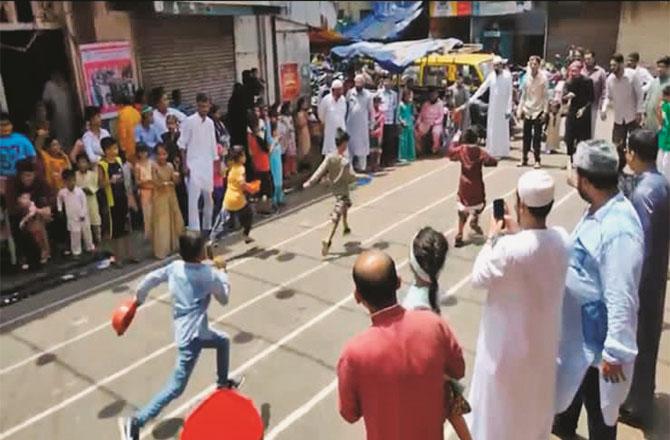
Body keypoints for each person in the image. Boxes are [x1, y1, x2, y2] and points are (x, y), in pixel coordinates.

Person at [468, 169, 569, 440]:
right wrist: (519, 232)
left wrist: (492, 237)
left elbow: (478, 277)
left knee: (497, 424)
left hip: (503, 358)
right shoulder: (562, 240)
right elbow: (536, 243)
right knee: (532, 421)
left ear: (520, 205)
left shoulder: (508, 251)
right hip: (542, 353)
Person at [553, 140, 644, 440]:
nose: (572, 175)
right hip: (578, 343)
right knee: (566, 410)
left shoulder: (618, 230)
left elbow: (622, 295)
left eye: (576, 172)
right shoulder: (598, 207)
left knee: (600, 423)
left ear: (588, 181)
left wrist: (615, 352)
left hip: (600, 354)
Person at [121, 233, 241, 440]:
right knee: (176, 387)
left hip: (192, 329)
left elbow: (151, 279)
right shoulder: (207, 274)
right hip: (192, 337)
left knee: (223, 341)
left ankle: (223, 383)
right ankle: (135, 422)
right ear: (197, 254)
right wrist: (223, 273)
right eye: (203, 247)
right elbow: (224, 299)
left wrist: (137, 300)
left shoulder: (176, 267)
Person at [337, 250, 465, 440]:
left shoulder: (353, 355)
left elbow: (349, 413)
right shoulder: (433, 325)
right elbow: (458, 370)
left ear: (357, 296)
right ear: (398, 282)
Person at [619, 129, 670, 427]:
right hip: (656, 278)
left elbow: (644, 245)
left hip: (644, 281)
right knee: (648, 341)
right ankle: (642, 396)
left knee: (636, 342)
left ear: (635, 154)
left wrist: (633, 285)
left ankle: (635, 404)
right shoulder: (660, 184)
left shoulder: (642, 194)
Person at [303, 129, 359, 256]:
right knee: (336, 216)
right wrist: (358, 178)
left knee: (345, 205)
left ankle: (345, 226)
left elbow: (320, 170)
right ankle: (327, 239)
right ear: (344, 144)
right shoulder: (344, 161)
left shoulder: (330, 157)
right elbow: (350, 177)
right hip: (342, 190)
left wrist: (310, 182)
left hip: (334, 188)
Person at [446, 128, 498, 248]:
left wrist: (455, 139)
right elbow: (491, 161)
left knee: (462, 209)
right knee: (481, 204)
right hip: (477, 184)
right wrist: (494, 159)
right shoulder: (480, 151)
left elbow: (450, 153)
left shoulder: (461, 150)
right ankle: (475, 216)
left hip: (464, 185)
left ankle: (459, 234)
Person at [179, 93, 217, 233]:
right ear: (197, 105)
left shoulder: (210, 123)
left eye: (206, 106)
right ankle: (195, 230)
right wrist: (184, 165)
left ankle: (207, 228)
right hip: (193, 166)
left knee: (209, 199)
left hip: (207, 165)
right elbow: (182, 145)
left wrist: (216, 165)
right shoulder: (189, 121)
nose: (204, 109)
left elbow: (213, 146)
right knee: (193, 201)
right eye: (201, 106)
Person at [601, 53, 644, 171]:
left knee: (636, 144)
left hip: (633, 116)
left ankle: (638, 169)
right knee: (617, 145)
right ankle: (619, 168)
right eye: (611, 65)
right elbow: (608, 96)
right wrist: (604, 109)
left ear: (621, 64)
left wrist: (639, 112)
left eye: (614, 65)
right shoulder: (610, 79)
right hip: (619, 118)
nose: (612, 68)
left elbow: (640, 94)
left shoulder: (632, 76)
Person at [99, 137, 137, 267]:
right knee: (116, 232)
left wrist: (129, 195)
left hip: (123, 197)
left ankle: (130, 254)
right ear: (106, 150)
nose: (115, 151)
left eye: (116, 148)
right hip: (112, 201)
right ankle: (118, 257)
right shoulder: (102, 165)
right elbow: (99, 183)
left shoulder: (119, 160)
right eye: (113, 148)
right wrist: (110, 181)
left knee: (127, 228)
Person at [468, 55, 513, 159]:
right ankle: (492, 151)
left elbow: (510, 93)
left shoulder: (507, 76)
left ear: (502, 65)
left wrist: (509, 109)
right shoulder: (491, 75)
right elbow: (483, 87)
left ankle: (502, 152)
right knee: (492, 128)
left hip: (503, 108)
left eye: (498, 65)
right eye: (495, 66)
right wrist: (473, 98)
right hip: (493, 107)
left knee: (502, 130)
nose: (496, 67)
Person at [210, 145, 255, 244]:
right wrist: (251, 188)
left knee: (222, 221)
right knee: (249, 214)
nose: (245, 157)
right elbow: (241, 183)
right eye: (243, 155)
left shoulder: (230, 166)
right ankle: (245, 234)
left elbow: (224, 173)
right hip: (238, 200)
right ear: (239, 157)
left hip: (228, 199)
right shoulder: (240, 168)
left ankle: (212, 240)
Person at [151, 144, 185, 259]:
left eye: (164, 154)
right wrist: (164, 184)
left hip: (171, 195)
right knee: (162, 223)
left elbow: (176, 182)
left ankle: (175, 246)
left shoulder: (170, 166)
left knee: (176, 219)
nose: (162, 157)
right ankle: (161, 251)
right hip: (159, 197)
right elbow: (154, 182)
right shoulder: (153, 166)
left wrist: (176, 171)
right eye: (159, 154)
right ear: (155, 155)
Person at [517, 55, 549, 168]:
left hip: (538, 110)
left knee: (537, 137)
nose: (533, 66)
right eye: (531, 64)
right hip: (527, 109)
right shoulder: (526, 78)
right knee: (526, 136)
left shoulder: (543, 79)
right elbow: (523, 96)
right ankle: (524, 158)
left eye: (535, 64)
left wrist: (545, 112)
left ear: (539, 65)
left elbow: (546, 97)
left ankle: (537, 159)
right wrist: (519, 110)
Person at [563, 60, 595, 166]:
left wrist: (583, 110)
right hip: (572, 111)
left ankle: (580, 160)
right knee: (569, 137)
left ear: (580, 70)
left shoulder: (588, 81)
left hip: (584, 111)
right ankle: (570, 158)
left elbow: (591, 99)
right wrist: (567, 96)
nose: (572, 73)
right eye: (571, 71)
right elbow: (563, 97)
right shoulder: (568, 82)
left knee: (583, 139)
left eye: (575, 71)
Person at [57, 169, 94, 257]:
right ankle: (76, 251)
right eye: (69, 181)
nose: (72, 183)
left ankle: (89, 247)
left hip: (83, 217)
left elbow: (84, 203)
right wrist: (60, 209)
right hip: (72, 217)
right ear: (64, 181)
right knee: (75, 234)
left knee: (86, 232)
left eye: (73, 180)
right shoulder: (62, 192)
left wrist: (82, 213)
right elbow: (59, 200)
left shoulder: (80, 192)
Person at [161, 114, 187, 224]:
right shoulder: (164, 137)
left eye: (172, 123)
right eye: (168, 123)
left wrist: (182, 165)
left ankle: (185, 218)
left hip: (179, 165)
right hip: (169, 166)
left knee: (182, 192)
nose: (170, 126)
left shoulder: (180, 136)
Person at [346, 74, 374, 172]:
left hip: (362, 126)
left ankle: (362, 167)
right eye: (357, 83)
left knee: (362, 147)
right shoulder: (350, 93)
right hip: (350, 125)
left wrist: (372, 125)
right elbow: (346, 108)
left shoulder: (368, 95)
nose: (358, 86)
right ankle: (349, 168)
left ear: (363, 84)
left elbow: (371, 111)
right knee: (349, 147)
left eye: (360, 84)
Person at [41, 71, 75, 149]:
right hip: (56, 116)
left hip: (69, 115)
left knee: (69, 134)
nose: (58, 76)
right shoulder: (49, 85)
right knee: (59, 136)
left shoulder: (66, 85)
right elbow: (46, 101)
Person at [247, 111, 272, 214]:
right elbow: (267, 149)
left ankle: (258, 209)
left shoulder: (248, 137)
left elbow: (250, 152)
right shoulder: (257, 138)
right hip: (263, 165)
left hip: (255, 165)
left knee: (257, 188)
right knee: (266, 189)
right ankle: (265, 209)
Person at [0, 112, 37, 183]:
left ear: (11, 125)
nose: (4, 127)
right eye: (1, 125)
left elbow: (33, 157)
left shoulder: (22, 139)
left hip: (18, 179)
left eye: (7, 124)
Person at [75, 153, 102, 244]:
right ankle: (86, 242)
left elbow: (95, 187)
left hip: (91, 201)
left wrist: (87, 190)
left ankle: (98, 240)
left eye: (84, 162)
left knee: (94, 220)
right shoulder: (75, 176)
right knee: (83, 223)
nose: (82, 165)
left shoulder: (93, 174)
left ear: (88, 163)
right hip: (79, 203)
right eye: (80, 162)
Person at [318, 79, 347, 155]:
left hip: (341, 131)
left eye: (341, 90)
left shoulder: (343, 100)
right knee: (330, 152)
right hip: (330, 131)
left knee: (341, 153)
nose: (340, 92)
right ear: (333, 90)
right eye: (338, 90)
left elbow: (344, 113)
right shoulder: (326, 100)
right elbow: (321, 115)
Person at [583, 50, 608, 136]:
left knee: (590, 129)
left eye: (589, 59)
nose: (587, 61)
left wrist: (603, 107)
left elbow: (604, 90)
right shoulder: (581, 70)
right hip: (580, 104)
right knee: (578, 128)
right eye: (585, 59)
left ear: (594, 59)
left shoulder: (601, 72)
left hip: (593, 105)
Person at [643, 56, 670, 133]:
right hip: (650, 120)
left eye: (662, 67)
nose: (659, 69)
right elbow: (648, 98)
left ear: (668, 68)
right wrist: (644, 112)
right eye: (658, 66)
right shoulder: (654, 82)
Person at [377, 75, 399, 167]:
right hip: (381, 120)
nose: (387, 84)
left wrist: (395, 120)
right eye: (385, 82)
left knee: (389, 141)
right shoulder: (379, 93)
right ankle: (380, 161)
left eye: (389, 82)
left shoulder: (394, 94)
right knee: (381, 141)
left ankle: (388, 160)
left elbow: (395, 106)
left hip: (390, 120)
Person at [415, 88, 445, 155]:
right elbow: (421, 114)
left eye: (434, 94)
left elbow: (441, 117)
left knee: (435, 133)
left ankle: (435, 149)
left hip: (436, 124)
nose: (432, 96)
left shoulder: (440, 104)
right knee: (416, 133)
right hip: (425, 122)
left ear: (437, 95)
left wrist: (434, 123)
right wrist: (418, 122)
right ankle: (419, 150)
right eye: (431, 95)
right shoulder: (426, 104)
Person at [133, 144, 154, 239]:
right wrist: (146, 182)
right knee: (147, 214)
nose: (143, 154)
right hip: (144, 191)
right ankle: (149, 234)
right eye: (141, 152)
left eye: (145, 152)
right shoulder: (137, 166)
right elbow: (137, 181)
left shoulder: (152, 163)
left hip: (154, 190)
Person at [116, 94, 141, 163]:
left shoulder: (122, 115)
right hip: (139, 146)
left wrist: (122, 148)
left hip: (129, 148)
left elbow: (122, 134)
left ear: (121, 104)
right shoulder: (136, 112)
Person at [278, 102, 298, 177]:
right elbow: (282, 129)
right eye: (289, 107)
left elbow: (292, 126)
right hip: (285, 137)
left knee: (292, 154)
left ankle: (293, 169)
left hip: (291, 136)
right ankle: (286, 172)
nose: (290, 109)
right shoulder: (281, 118)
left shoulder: (290, 117)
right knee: (287, 155)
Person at [396, 89, 415, 163]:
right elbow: (398, 115)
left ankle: (410, 156)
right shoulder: (400, 104)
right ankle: (402, 157)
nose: (408, 97)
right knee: (403, 141)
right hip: (403, 124)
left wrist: (412, 118)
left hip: (410, 123)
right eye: (407, 96)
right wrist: (401, 121)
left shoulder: (410, 104)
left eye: (409, 96)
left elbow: (411, 113)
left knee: (410, 140)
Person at [657, 85, 670, 181]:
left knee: (666, 166)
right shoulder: (664, 105)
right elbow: (661, 122)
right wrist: (659, 110)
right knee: (660, 164)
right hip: (663, 138)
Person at [369, 95, 384, 171]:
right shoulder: (370, 112)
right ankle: (372, 165)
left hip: (378, 133)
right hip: (371, 133)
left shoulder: (381, 112)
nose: (377, 104)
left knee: (378, 151)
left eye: (378, 102)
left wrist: (377, 131)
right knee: (372, 150)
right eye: (376, 102)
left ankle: (377, 165)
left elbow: (381, 124)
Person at [294, 96, 311, 164]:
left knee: (307, 146)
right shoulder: (299, 114)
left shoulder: (305, 113)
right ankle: (302, 163)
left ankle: (306, 162)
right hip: (302, 132)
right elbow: (299, 124)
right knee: (303, 147)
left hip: (306, 130)